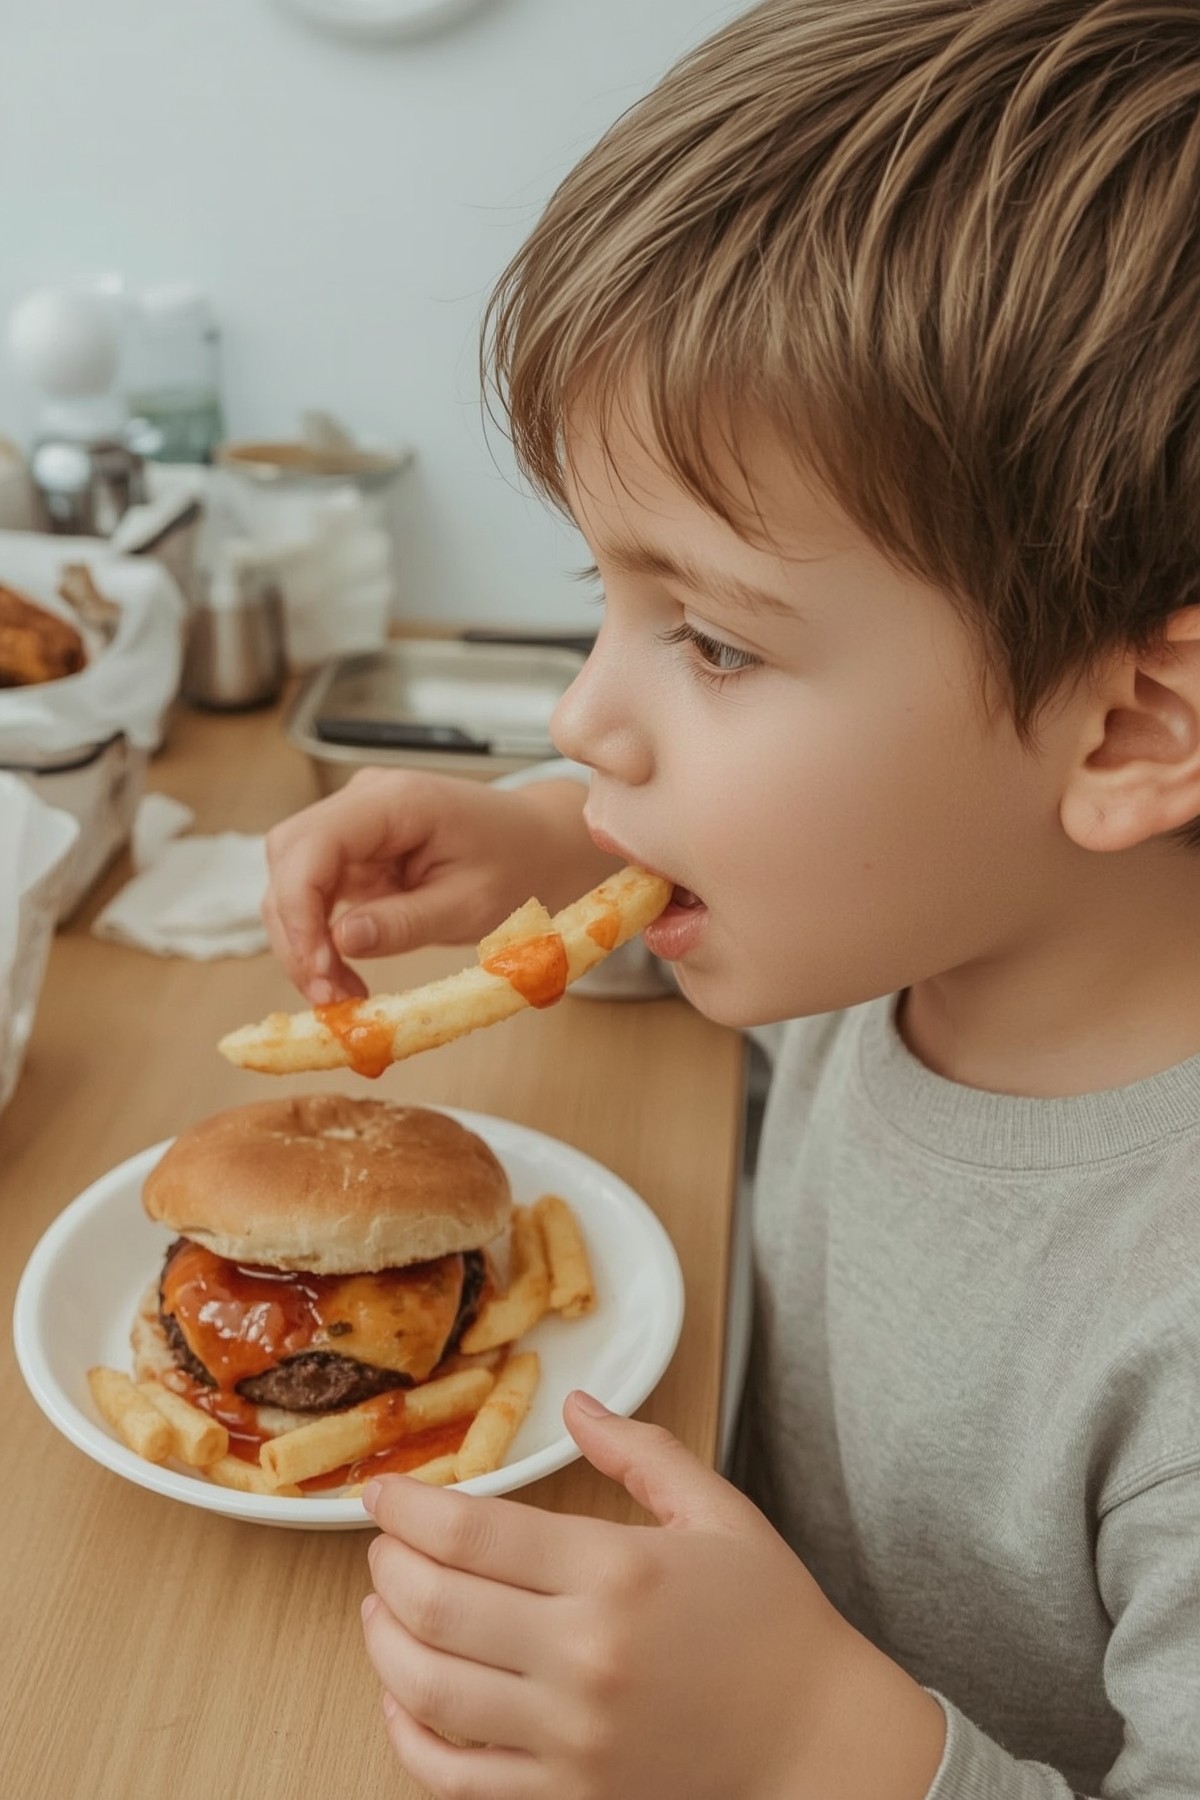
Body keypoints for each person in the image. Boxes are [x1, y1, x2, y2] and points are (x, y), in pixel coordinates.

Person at [261, 1, 1200, 1793]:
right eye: (598, 592)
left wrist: (808, 1749)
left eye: (708, 637)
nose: (580, 712)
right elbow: (769, 870)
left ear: (1132, 726)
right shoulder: (918, 911)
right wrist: (553, 851)